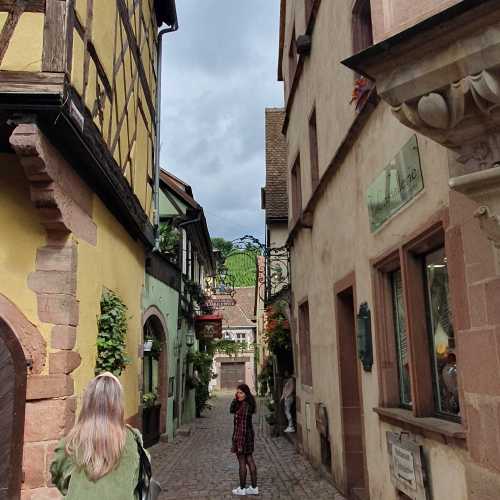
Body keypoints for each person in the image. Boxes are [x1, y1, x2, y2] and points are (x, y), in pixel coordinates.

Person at [50, 372, 146, 499]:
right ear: (119, 405)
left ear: (88, 402)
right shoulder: (133, 440)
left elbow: (57, 475)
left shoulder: (71, 442)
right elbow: (142, 478)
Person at [230, 384, 258, 496]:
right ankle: (254, 488)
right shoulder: (243, 404)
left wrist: (239, 443)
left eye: (241, 393)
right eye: (237, 392)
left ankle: (242, 489)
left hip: (243, 437)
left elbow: (243, 427)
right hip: (248, 436)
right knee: (250, 459)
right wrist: (235, 398)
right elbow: (231, 409)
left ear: (246, 394)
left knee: (242, 461)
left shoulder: (245, 407)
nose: (238, 394)